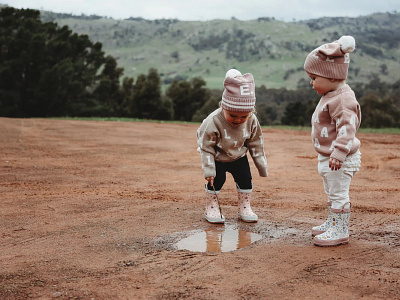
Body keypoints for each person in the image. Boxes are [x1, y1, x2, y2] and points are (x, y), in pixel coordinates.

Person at [303, 36, 362, 246]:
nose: (311, 82)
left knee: (338, 193)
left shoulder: (343, 99)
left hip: (341, 157)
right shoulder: (331, 94)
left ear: (331, 76)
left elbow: (347, 128)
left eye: (313, 77)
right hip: (331, 157)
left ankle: (340, 230)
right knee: (331, 192)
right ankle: (333, 222)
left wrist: (338, 152)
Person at [197, 69, 268, 224]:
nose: (238, 120)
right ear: (224, 106)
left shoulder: (252, 120)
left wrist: (261, 165)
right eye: (233, 115)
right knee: (216, 180)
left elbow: (256, 142)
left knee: (245, 180)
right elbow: (206, 146)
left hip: (239, 157)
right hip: (218, 157)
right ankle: (211, 207)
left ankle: (245, 207)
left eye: (244, 116)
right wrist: (209, 170)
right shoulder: (213, 121)